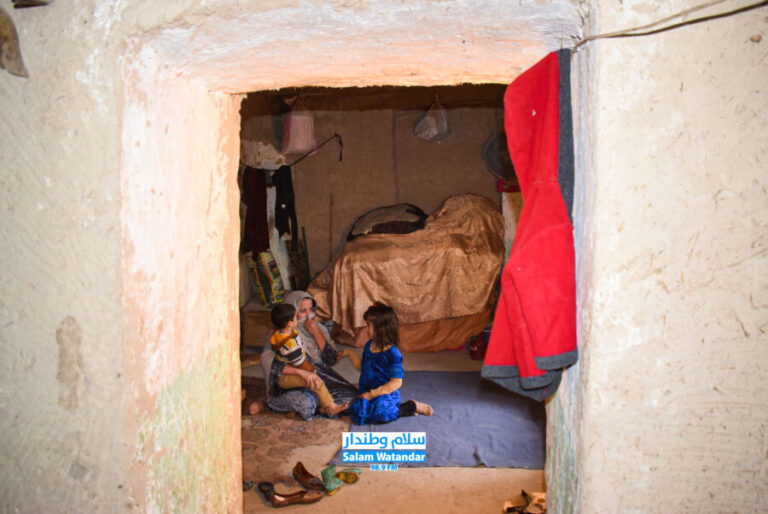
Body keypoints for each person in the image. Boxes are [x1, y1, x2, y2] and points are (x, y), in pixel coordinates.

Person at [257, 290, 358, 419]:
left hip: (319, 374)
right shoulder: (279, 335)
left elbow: (331, 359)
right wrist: (301, 372)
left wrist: (316, 333)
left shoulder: (319, 328)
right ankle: (271, 403)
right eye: (303, 311)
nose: (309, 315)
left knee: (351, 397)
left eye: (311, 309)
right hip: (291, 380)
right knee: (307, 404)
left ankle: (315, 407)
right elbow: (270, 363)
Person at [350, 302, 433, 425]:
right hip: (367, 389)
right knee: (357, 412)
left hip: (384, 392)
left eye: (368, 325)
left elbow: (396, 382)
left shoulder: (393, 353)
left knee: (381, 414)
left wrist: (371, 394)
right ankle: (391, 409)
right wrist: (349, 354)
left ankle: (411, 406)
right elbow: (364, 367)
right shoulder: (369, 345)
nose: (366, 329)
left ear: (381, 328)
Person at [269, 303, 349, 416]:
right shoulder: (290, 344)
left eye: (310, 310)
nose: (305, 316)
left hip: (289, 373)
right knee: (316, 381)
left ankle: (321, 406)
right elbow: (299, 363)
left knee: (318, 383)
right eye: (296, 316)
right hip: (284, 377)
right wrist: (311, 371)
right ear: (290, 323)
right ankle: (332, 407)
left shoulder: (279, 334)